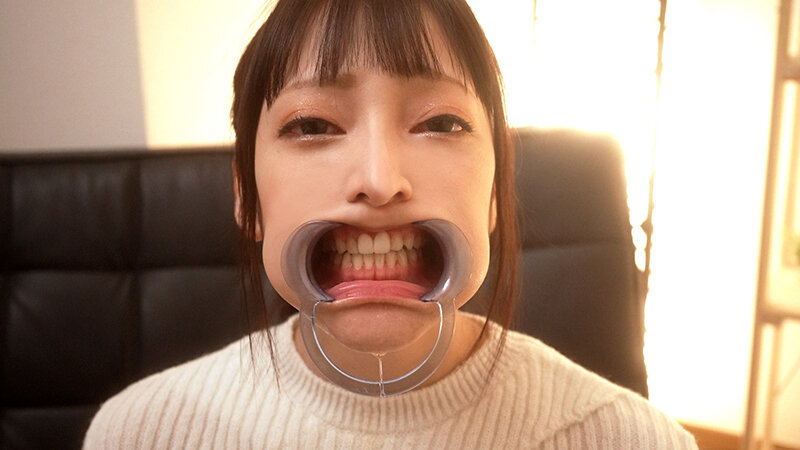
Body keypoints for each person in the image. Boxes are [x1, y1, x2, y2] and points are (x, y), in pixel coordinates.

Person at [84, 0, 697, 448]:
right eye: (312, 125)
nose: (379, 180)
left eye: (440, 123)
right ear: (248, 198)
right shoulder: (140, 432)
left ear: (493, 195)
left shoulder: (633, 440)